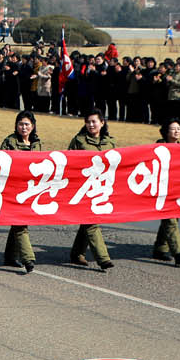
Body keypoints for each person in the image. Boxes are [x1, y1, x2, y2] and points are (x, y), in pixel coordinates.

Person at [67, 109, 116, 270]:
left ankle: (76, 253)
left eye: (94, 121)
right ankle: (103, 258)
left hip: (102, 188)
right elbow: (68, 161)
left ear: (102, 123)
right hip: (83, 187)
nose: (91, 125)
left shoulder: (110, 142)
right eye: (88, 122)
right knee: (91, 221)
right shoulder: (79, 141)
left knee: (88, 221)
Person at [0, 111, 40, 273]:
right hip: (13, 188)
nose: (24, 127)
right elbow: (1, 162)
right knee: (20, 223)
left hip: (30, 189)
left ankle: (10, 256)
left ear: (33, 126)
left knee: (19, 222)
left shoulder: (37, 143)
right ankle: (28, 258)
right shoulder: (9, 142)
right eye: (21, 124)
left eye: (27, 124)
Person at [151, 118, 180, 266]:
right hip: (161, 190)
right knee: (170, 219)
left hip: (176, 189)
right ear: (166, 132)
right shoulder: (158, 147)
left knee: (171, 219)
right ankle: (179, 252)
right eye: (173, 129)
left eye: (179, 129)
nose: (176, 131)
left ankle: (160, 249)